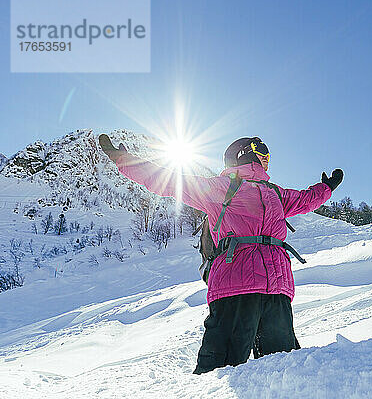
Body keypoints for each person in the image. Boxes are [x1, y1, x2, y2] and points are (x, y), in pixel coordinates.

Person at [98, 134, 343, 373]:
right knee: (218, 371)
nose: (267, 160)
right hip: (236, 286)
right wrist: (125, 160)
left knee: (283, 370)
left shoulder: (275, 193)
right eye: (263, 153)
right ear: (245, 155)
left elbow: (305, 199)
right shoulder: (222, 188)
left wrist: (326, 188)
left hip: (277, 290)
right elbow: (170, 181)